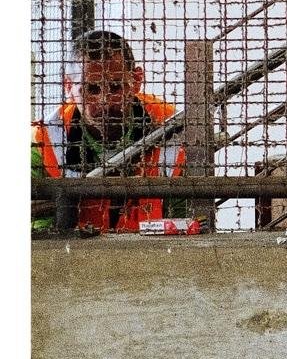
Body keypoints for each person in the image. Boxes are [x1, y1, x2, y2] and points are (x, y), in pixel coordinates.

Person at [32, 29, 185, 234]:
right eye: (91, 89)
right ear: (68, 86)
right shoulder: (42, 142)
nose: (104, 101)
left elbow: (184, 221)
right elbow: (38, 234)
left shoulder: (174, 128)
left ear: (137, 80)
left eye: (115, 87)